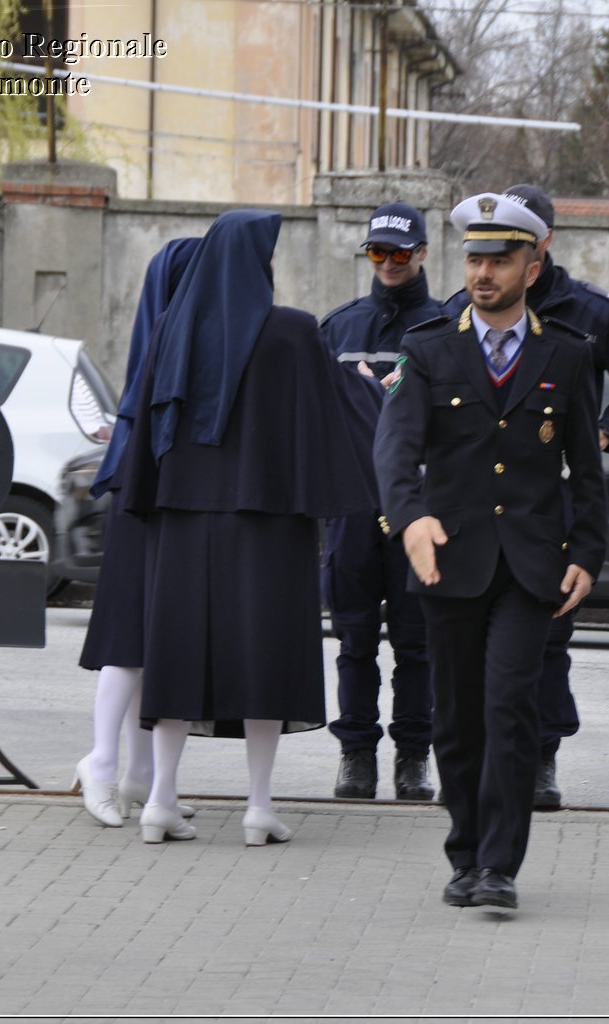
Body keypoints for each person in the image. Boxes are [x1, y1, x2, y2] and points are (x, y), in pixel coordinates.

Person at [117, 209, 379, 846]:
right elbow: (335, 409)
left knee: (177, 660)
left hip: (182, 524)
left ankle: (160, 801)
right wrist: (371, 389)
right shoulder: (291, 332)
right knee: (269, 659)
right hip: (269, 523)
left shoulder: (170, 329)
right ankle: (259, 807)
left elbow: (146, 427)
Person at [374, 192, 607, 909]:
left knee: (510, 707)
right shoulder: (428, 348)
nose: (482, 272)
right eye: (474, 258)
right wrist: (408, 520)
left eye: (500, 259)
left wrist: (588, 552)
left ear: (532, 266)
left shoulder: (567, 356)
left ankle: (500, 866)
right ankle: (465, 850)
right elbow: (394, 451)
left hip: (529, 567)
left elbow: (587, 471)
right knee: (457, 717)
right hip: (449, 560)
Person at [443, 184, 609, 810]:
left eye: (509, 250)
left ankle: (540, 757)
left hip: (551, 495)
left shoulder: (588, 312)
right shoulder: (465, 304)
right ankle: (475, 764)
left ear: (543, 246)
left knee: (547, 636)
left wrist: (604, 432)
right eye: (479, 255)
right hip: (480, 502)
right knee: (470, 638)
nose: (488, 268)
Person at [73, 236, 201, 828]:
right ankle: (100, 765)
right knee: (129, 639)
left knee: (150, 642)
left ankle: (140, 775)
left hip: (154, 496)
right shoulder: (170, 344)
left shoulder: (170, 337)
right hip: (140, 498)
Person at [318, 202, 442, 801]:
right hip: (352, 510)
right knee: (355, 640)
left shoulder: (446, 328)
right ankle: (357, 755)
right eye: (377, 252)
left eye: (400, 253)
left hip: (420, 508)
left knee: (418, 644)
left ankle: (414, 757)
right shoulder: (338, 329)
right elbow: (308, 419)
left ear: (422, 253)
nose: (389, 263)